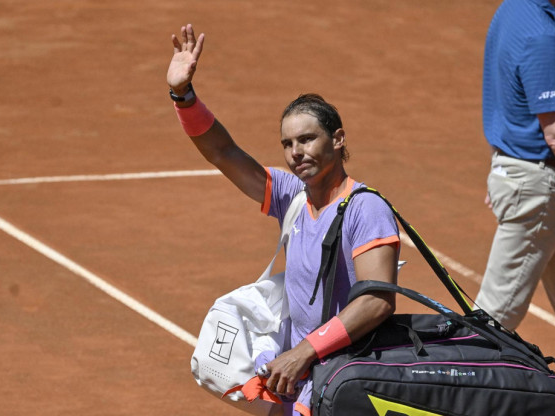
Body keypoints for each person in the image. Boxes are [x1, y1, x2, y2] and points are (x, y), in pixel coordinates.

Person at [167, 24, 401, 415]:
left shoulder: (366, 209)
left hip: (345, 377)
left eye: (307, 139)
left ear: (338, 140)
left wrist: (303, 353)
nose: (295, 152)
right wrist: (183, 95)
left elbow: (377, 302)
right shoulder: (292, 195)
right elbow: (223, 152)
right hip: (300, 378)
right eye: (287, 144)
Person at [477, 0, 555, 364]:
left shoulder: (517, 9)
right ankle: (449, 393)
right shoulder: (543, 38)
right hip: (541, 190)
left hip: (531, 183)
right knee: (492, 320)